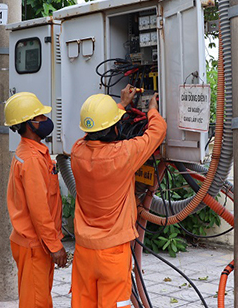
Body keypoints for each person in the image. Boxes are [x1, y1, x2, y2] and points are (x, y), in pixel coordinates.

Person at [69, 84, 167, 308]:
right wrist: (152, 109)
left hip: (84, 251)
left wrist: (120, 105)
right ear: (115, 128)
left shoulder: (77, 151)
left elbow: (90, 131)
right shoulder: (123, 154)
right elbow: (157, 132)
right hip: (113, 252)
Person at [4, 92, 67, 308]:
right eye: (40, 116)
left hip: (34, 243)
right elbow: (39, 210)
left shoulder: (33, 152)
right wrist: (54, 246)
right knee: (37, 303)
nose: (45, 120)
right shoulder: (31, 159)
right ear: (29, 125)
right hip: (34, 244)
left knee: (40, 298)